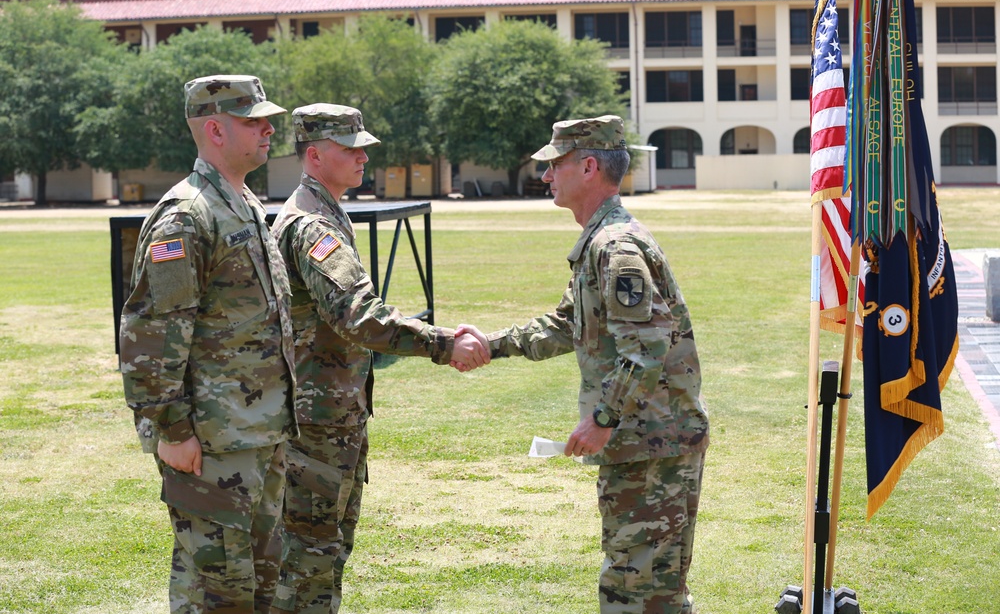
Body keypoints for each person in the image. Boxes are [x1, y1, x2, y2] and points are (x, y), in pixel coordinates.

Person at [471, 115, 709, 613]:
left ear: (589, 166)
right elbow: (565, 324)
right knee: (647, 587)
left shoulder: (615, 247)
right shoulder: (600, 242)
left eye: (554, 164)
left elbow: (645, 348)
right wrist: (490, 345)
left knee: (638, 590)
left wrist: (603, 419)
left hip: (652, 443)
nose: (545, 176)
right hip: (644, 440)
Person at [269, 103, 490, 613]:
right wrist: (442, 343)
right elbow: (360, 318)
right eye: (350, 148)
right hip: (316, 427)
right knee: (309, 569)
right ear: (315, 155)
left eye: (363, 146)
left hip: (331, 418)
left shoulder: (325, 212)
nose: (363, 157)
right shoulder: (311, 226)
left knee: (324, 558)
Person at [119, 75, 297, 613]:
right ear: (215, 129)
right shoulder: (187, 216)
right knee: (217, 593)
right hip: (212, 442)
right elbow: (151, 333)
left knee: (259, 586)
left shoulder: (241, 202)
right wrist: (171, 430)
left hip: (258, 432)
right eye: (253, 121)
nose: (268, 129)